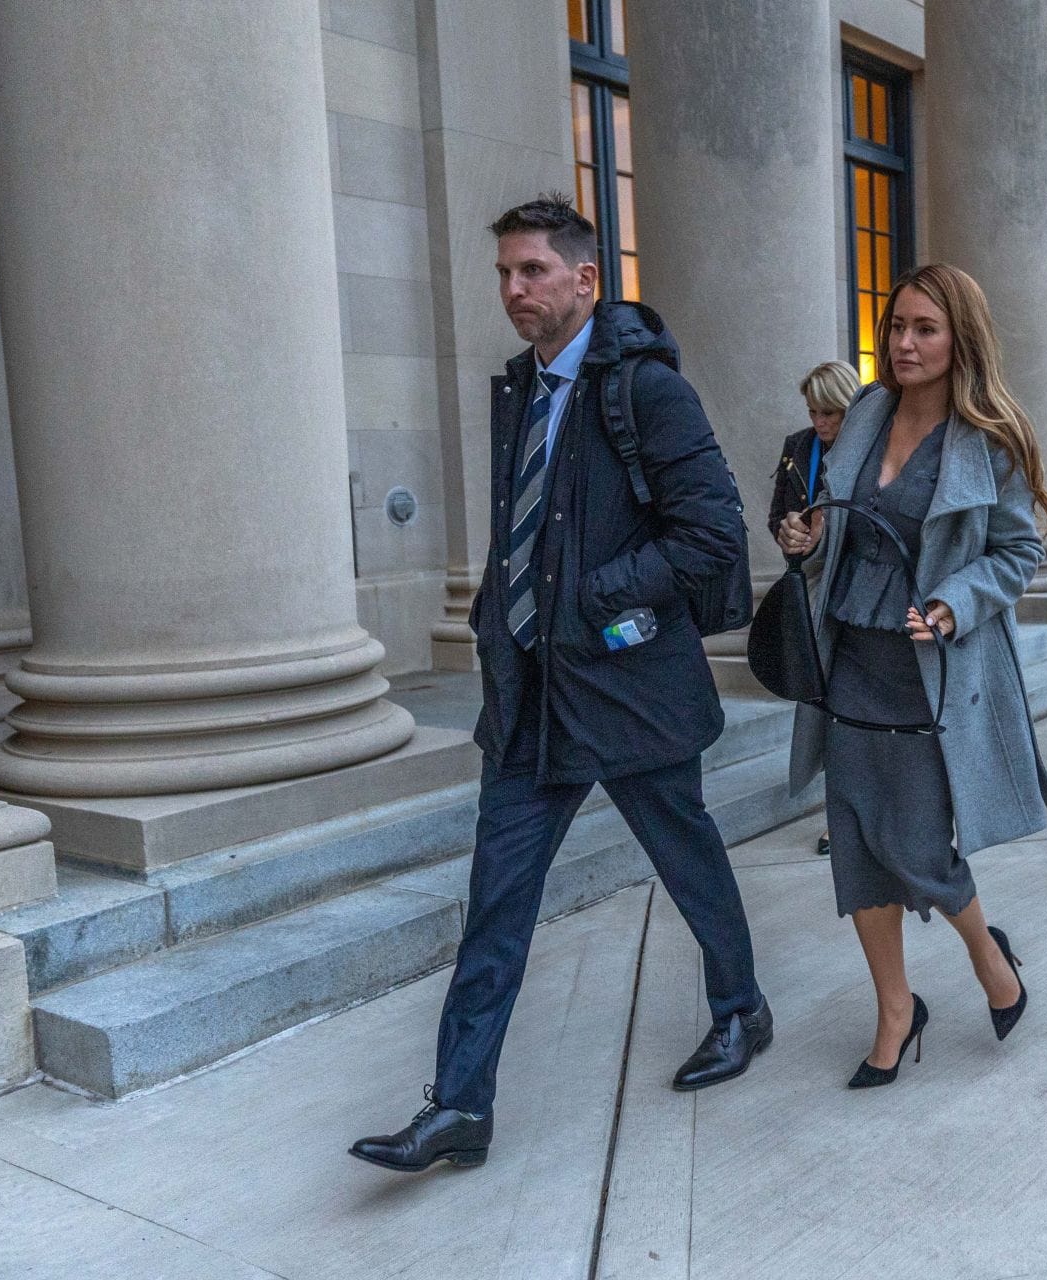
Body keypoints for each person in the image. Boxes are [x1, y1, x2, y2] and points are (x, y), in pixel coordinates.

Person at [352, 194, 769, 1172]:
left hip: (630, 692)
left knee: (690, 865)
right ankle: (459, 1103)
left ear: (585, 279)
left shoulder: (647, 392)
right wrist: (501, 615)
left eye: (531, 269)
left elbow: (711, 531)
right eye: (503, 272)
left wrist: (593, 598)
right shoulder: (519, 390)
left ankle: (742, 1009)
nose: (512, 289)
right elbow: (528, 530)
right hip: (532, 703)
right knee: (495, 899)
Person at [776, 264, 1047, 1088]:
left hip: (929, 671)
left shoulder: (991, 436)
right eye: (896, 326)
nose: (904, 343)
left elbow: (1019, 551)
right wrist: (806, 540)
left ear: (961, 340)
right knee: (856, 842)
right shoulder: (867, 414)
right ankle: (895, 1008)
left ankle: (989, 958)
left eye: (924, 329)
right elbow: (843, 525)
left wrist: (955, 601)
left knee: (913, 845)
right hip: (849, 656)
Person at [769, 360, 861, 856]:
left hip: (866, 598)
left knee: (857, 711)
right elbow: (775, 517)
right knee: (824, 709)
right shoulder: (799, 448)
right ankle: (838, 815)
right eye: (813, 411)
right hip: (816, 599)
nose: (821, 423)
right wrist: (790, 533)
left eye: (832, 412)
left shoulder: (875, 447)